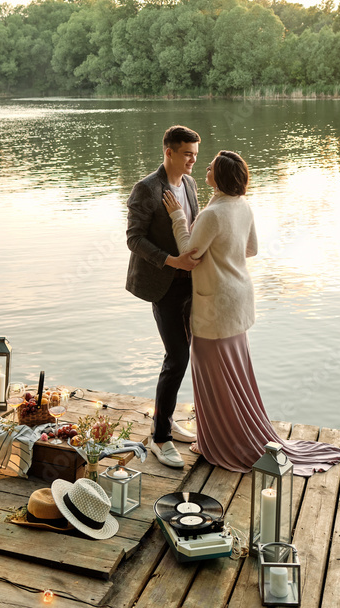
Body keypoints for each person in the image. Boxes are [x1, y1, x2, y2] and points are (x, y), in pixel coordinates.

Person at [163, 150, 340, 476]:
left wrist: (178, 217)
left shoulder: (212, 214)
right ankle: (221, 434)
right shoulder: (242, 207)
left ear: (221, 177)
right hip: (239, 299)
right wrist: (223, 252)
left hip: (215, 303)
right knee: (235, 373)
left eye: (212, 166)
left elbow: (188, 253)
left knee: (212, 374)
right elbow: (251, 249)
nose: (206, 167)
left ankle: (218, 442)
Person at [126, 125, 202, 469]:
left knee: (189, 354)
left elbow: (194, 225)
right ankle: (159, 438)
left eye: (196, 154)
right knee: (177, 356)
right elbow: (134, 239)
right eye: (187, 153)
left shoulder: (189, 184)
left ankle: (167, 419)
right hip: (163, 284)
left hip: (193, 283)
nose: (192, 161)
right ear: (168, 151)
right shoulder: (146, 188)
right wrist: (172, 261)